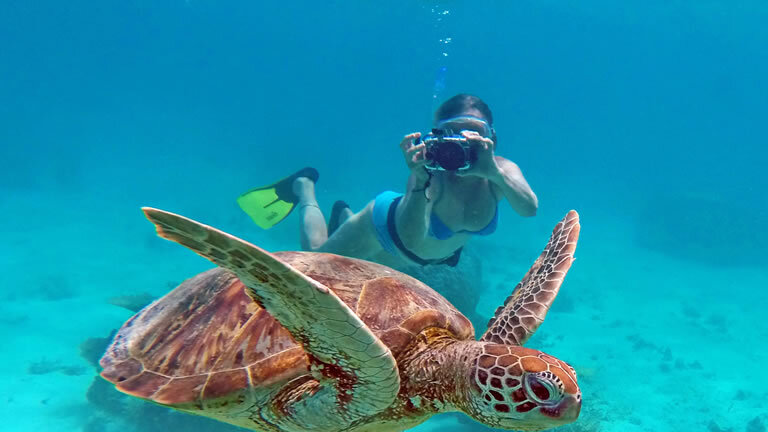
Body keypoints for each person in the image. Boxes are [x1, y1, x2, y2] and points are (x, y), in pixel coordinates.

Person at [237, 94, 537, 323]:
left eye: (473, 133)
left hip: (415, 260)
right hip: (384, 231)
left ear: (491, 138)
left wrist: (492, 173)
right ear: (438, 136)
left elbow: (529, 208)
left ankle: (344, 216)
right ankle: (304, 187)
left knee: (350, 280)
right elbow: (410, 236)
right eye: (454, 134)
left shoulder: (501, 172)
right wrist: (419, 180)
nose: (462, 144)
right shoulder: (431, 174)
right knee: (316, 268)